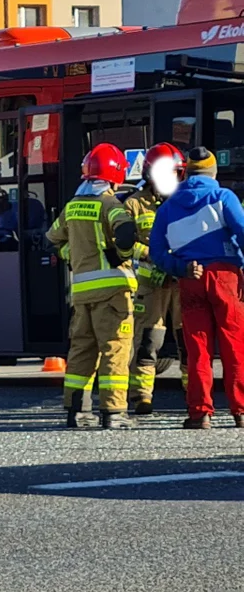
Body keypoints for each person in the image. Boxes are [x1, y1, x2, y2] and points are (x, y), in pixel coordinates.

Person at [149, 146, 244, 429]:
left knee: (197, 349)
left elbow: (157, 252)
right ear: (213, 172)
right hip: (225, 276)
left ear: (186, 172)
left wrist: (181, 268)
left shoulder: (168, 207)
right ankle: (240, 411)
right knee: (234, 344)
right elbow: (242, 232)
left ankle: (200, 412)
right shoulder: (223, 196)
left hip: (190, 278)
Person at [47, 143, 138, 430]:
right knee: (114, 349)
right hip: (112, 292)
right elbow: (126, 234)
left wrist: (71, 256)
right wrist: (121, 256)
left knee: (82, 351)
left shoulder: (73, 206)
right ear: (115, 175)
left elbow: (53, 239)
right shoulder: (110, 204)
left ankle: (78, 411)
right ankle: (114, 413)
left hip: (82, 293)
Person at [124, 143, 189, 415]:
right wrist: (152, 255)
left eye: (175, 173)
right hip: (152, 287)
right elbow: (124, 246)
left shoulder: (187, 201)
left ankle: (195, 396)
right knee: (149, 343)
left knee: (189, 342)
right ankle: (142, 398)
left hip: (183, 283)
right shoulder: (134, 204)